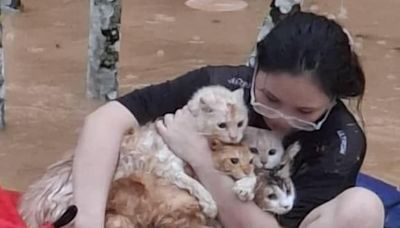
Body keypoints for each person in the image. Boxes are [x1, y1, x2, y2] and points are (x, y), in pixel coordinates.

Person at [72, 12, 384, 228]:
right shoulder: (223, 89)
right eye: (271, 100)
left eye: (304, 113)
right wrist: (88, 218)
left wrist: (201, 158)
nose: (282, 119)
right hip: (187, 215)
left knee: (363, 207)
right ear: (256, 69)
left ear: (332, 100)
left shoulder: (340, 140)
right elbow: (107, 119)